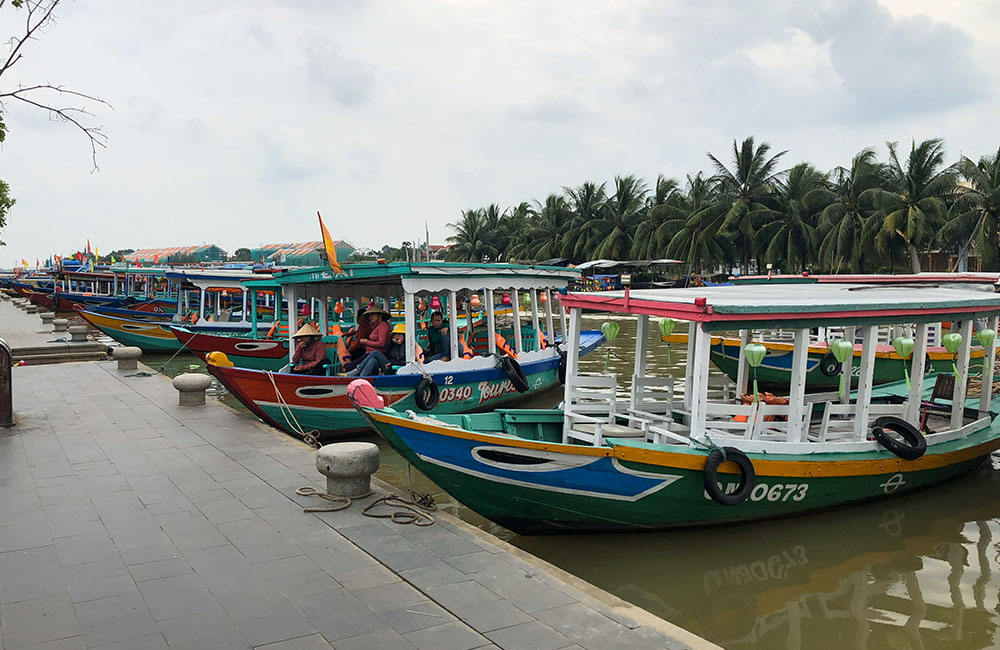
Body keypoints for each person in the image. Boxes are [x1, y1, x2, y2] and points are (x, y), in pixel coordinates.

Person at [343, 305, 391, 373]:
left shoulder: (383, 325)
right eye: (369, 315)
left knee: (349, 367)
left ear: (379, 315)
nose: (370, 317)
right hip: (369, 353)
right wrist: (347, 334)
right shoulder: (375, 326)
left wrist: (366, 342)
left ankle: (357, 371)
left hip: (374, 353)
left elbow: (381, 343)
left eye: (372, 315)